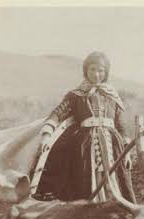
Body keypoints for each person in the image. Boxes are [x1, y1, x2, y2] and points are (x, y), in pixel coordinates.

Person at [35, 51, 136, 203]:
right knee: (84, 181)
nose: (96, 74)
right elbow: (58, 113)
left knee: (117, 180)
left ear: (106, 72)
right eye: (93, 69)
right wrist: (46, 135)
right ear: (86, 71)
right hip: (85, 146)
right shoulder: (76, 95)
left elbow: (121, 125)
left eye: (101, 70)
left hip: (113, 147)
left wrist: (126, 152)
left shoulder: (112, 96)